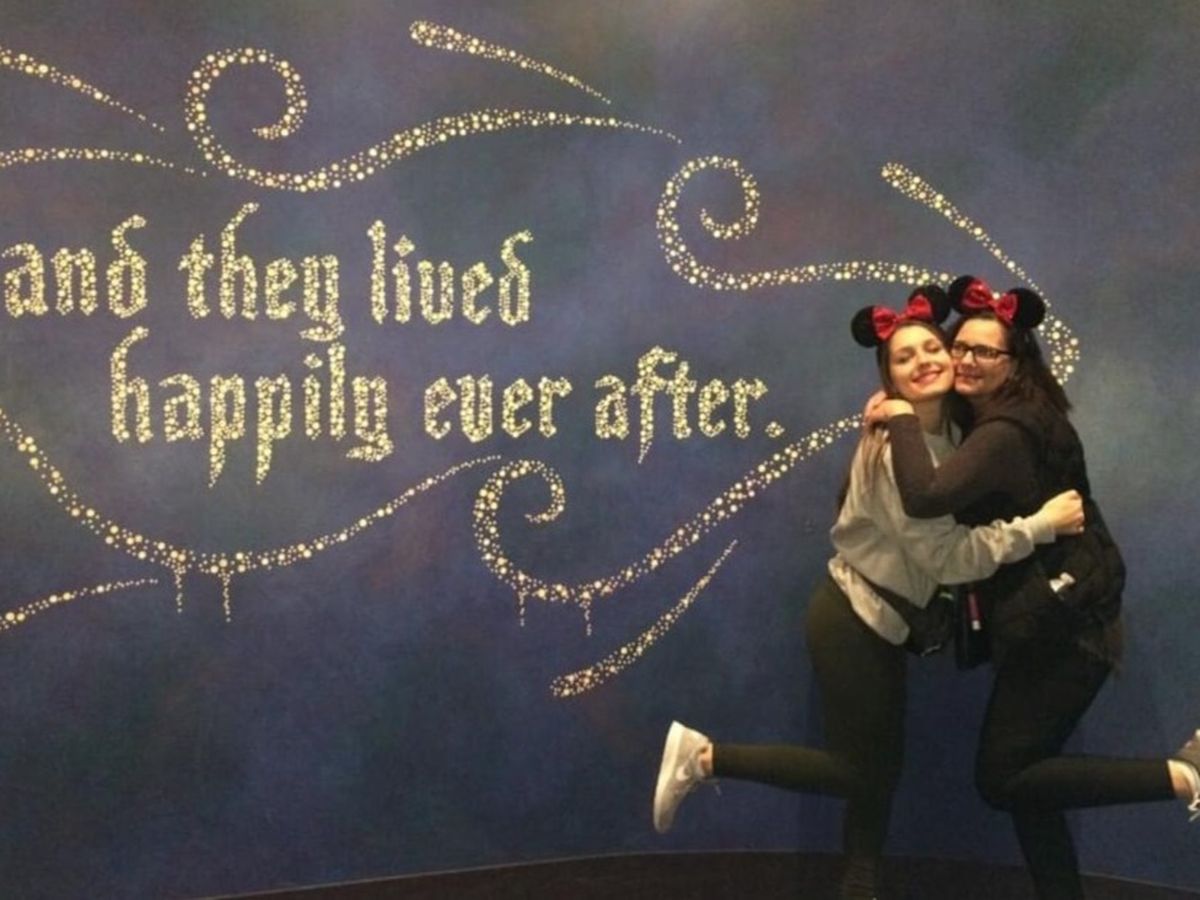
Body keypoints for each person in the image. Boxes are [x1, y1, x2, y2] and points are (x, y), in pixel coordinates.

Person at [652, 286, 1087, 900]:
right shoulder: (895, 450)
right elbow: (949, 556)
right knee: (859, 771)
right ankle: (704, 758)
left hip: (883, 619)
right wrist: (1039, 527)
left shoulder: (950, 432)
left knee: (876, 770)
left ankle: (860, 883)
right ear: (890, 378)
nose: (926, 361)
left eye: (932, 347)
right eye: (905, 358)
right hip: (853, 618)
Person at [865, 275, 1200, 900]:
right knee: (1029, 787)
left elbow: (926, 496)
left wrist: (903, 415)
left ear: (1014, 362)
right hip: (1054, 615)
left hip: (1065, 626)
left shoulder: (1006, 433)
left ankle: (1183, 774)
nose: (965, 359)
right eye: (960, 346)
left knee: (1002, 778)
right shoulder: (1006, 416)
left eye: (984, 351)